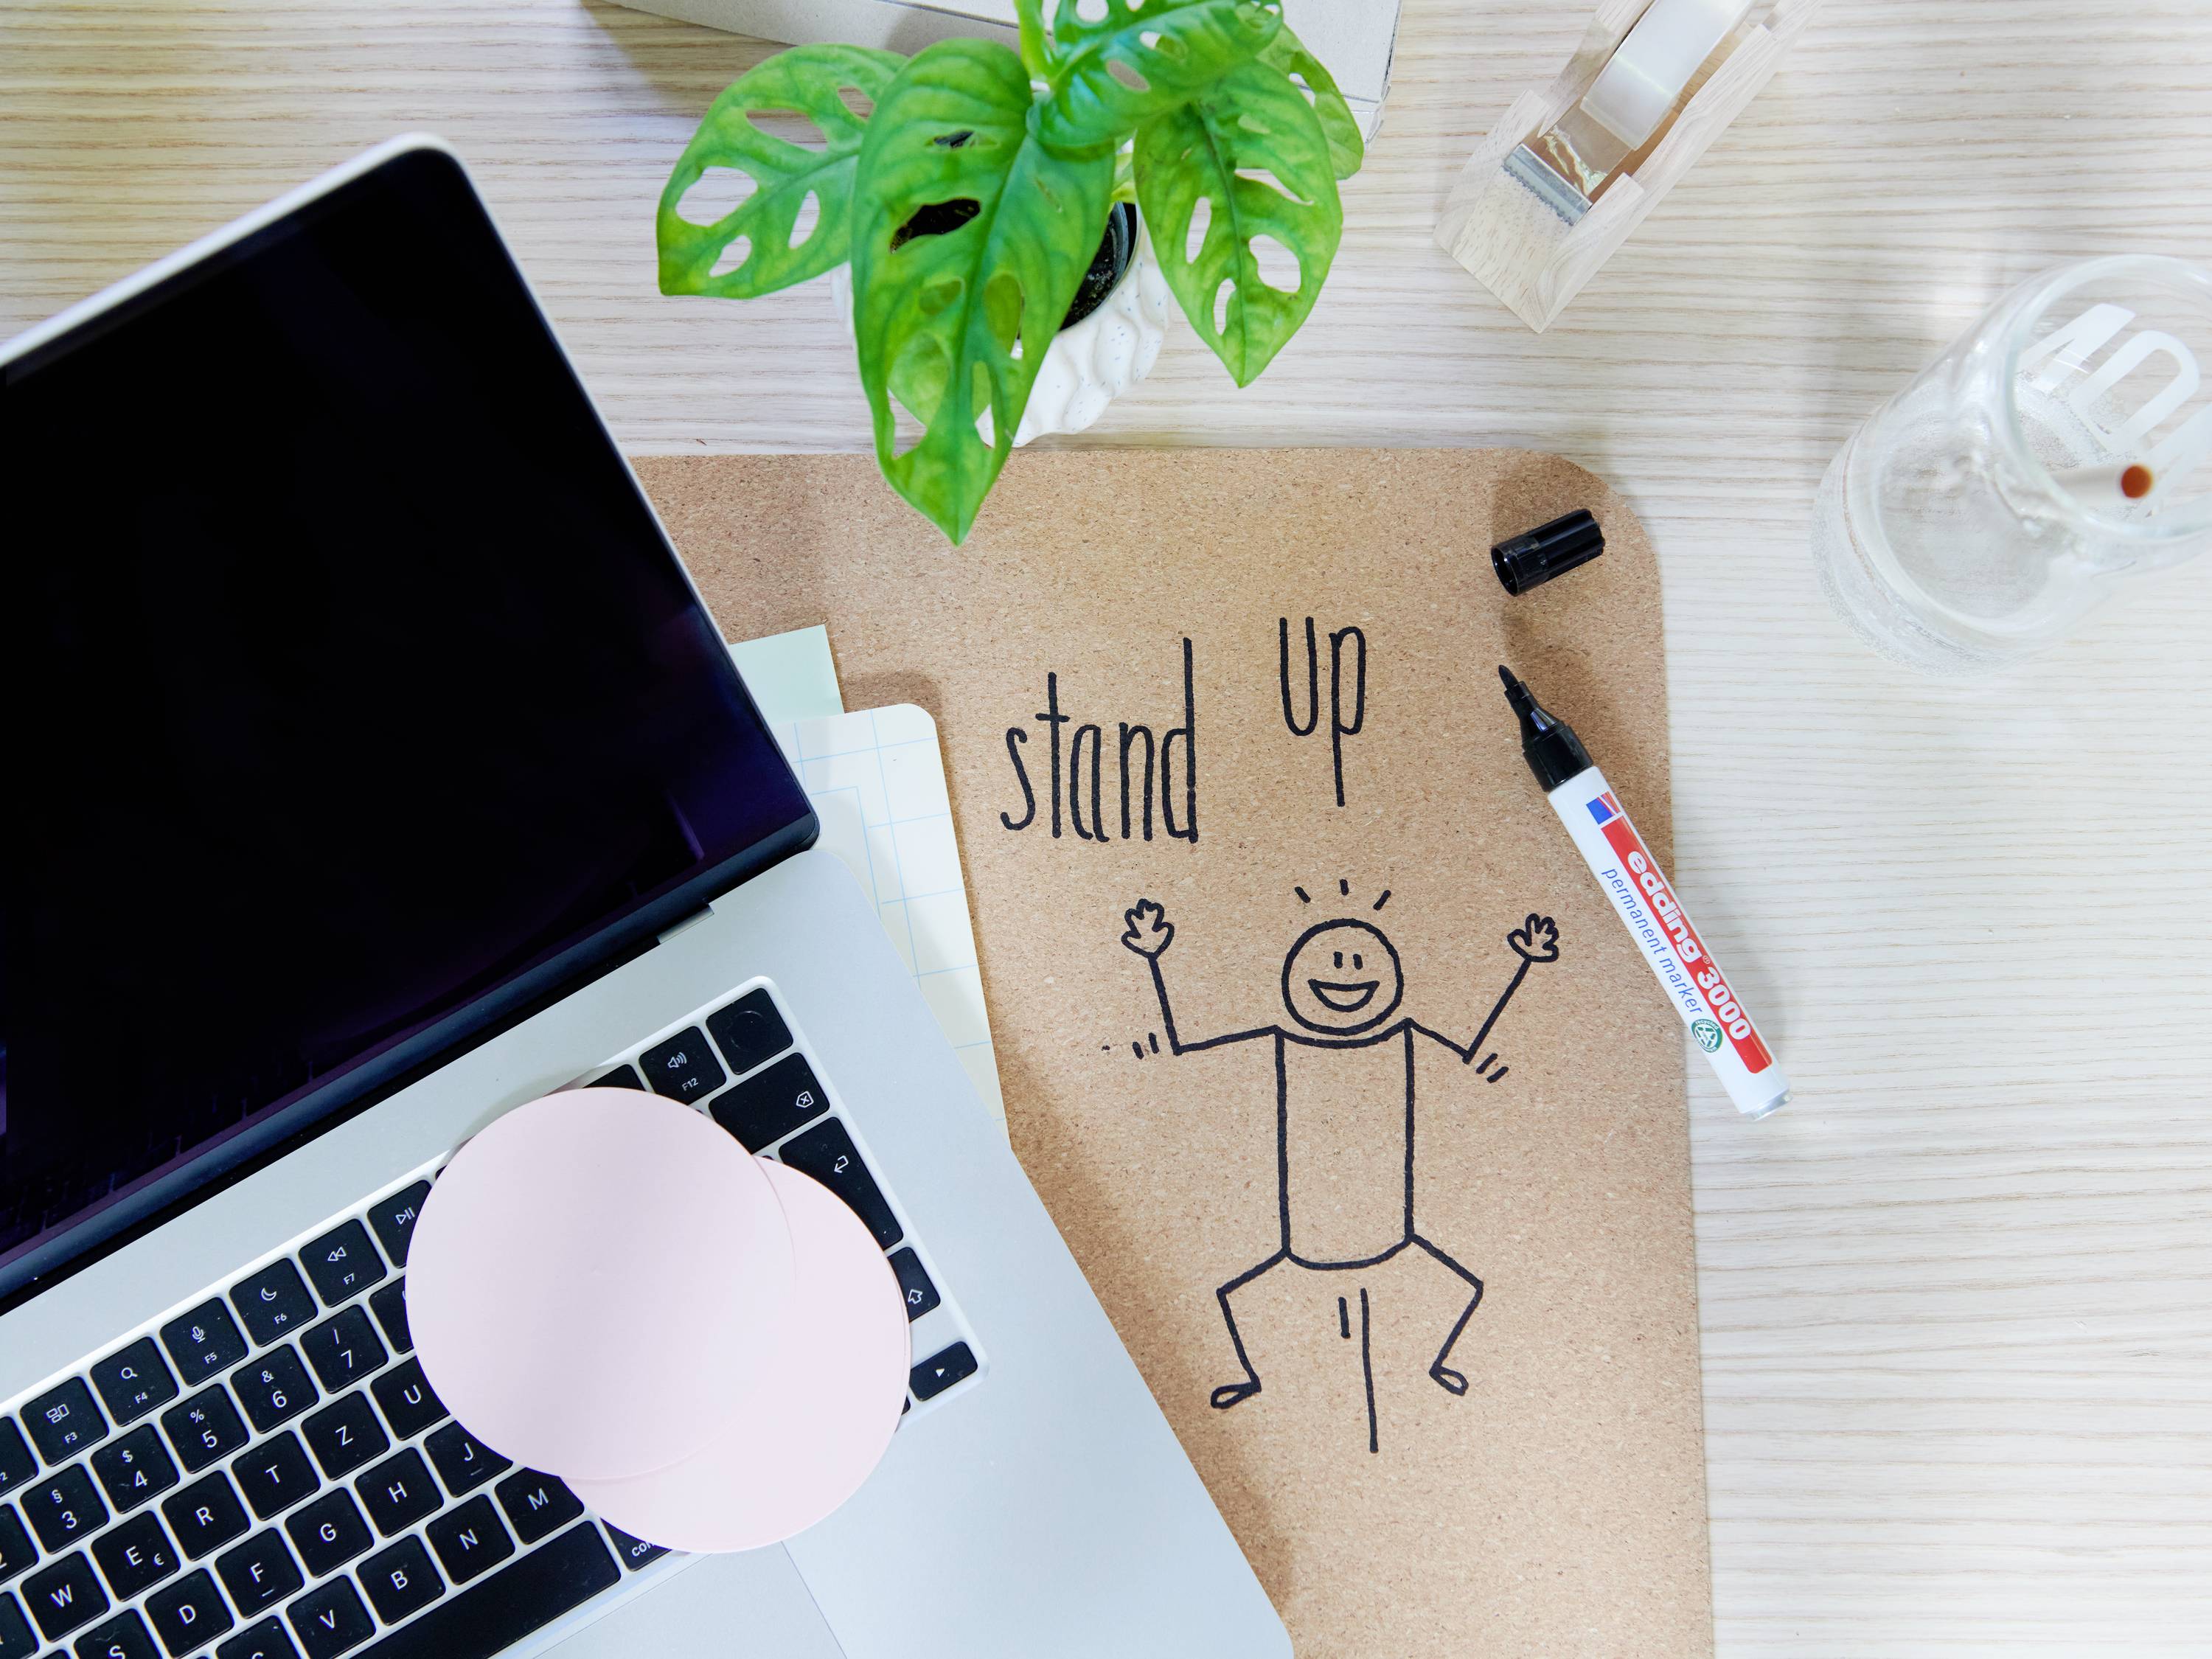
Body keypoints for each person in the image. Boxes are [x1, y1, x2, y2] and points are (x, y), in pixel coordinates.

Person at [1120, 897, 1557, 1411]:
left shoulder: (1406, 1040)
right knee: (1235, 1296)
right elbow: (1192, 1047)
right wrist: (1153, 961)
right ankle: (1253, 1376)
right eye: (1329, 958)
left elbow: (1470, 1044)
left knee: (1464, 1286)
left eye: (1361, 959)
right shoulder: (1284, 1044)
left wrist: (1524, 965)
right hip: (1304, 1239)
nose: (1345, 971)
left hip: (1394, 1231)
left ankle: (1438, 1362)